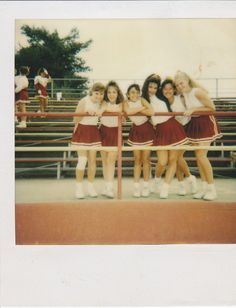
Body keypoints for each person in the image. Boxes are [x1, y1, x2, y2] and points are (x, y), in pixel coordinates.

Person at [174, 71, 222, 201]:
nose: (179, 86)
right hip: (195, 123)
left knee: (202, 156)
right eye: (177, 85)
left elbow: (212, 108)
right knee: (198, 157)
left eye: (181, 83)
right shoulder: (184, 94)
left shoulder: (197, 91)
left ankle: (212, 189)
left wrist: (194, 110)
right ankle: (204, 187)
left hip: (205, 123)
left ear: (187, 80)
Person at [144, 74, 188, 199]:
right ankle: (156, 180)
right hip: (160, 130)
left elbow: (176, 89)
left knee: (173, 160)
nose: (151, 89)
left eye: (154, 87)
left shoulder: (161, 95)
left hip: (173, 127)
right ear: (146, 86)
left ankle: (165, 187)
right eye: (149, 86)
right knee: (162, 161)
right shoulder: (144, 99)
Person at [160, 78, 198, 195]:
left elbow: (193, 105)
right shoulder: (162, 102)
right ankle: (188, 180)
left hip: (184, 129)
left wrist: (192, 109)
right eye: (165, 89)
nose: (168, 91)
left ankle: (179, 183)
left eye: (170, 88)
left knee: (174, 159)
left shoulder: (181, 98)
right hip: (171, 132)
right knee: (176, 159)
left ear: (174, 89)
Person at [71, 82, 105, 199]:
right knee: (82, 160)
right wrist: (86, 113)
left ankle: (91, 187)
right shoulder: (84, 101)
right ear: (91, 92)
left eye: (101, 94)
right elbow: (75, 119)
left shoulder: (101, 103)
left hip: (93, 132)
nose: (99, 96)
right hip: (82, 130)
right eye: (97, 93)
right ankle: (79, 188)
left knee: (92, 161)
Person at [124, 84, 155, 197]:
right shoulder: (125, 102)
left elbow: (151, 111)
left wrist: (136, 110)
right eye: (132, 92)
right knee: (137, 160)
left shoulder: (142, 99)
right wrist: (142, 108)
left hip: (146, 129)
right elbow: (128, 112)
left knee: (146, 159)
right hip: (136, 131)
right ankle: (136, 187)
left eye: (137, 92)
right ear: (128, 94)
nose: (135, 94)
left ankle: (146, 186)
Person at [99, 81, 124, 198]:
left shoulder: (122, 104)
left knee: (111, 161)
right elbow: (101, 110)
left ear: (118, 93)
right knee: (104, 162)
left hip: (115, 132)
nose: (111, 94)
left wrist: (109, 111)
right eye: (109, 92)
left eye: (114, 92)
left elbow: (121, 112)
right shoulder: (103, 102)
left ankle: (110, 187)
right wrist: (105, 110)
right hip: (103, 132)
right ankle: (106, 186)